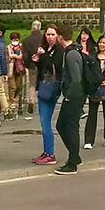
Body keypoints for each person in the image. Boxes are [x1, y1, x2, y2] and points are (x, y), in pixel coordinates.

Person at [52, 27, 88, 173]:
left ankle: (73, 162)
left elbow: (76, 79)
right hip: (75, 95)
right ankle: (75, 156)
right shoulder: (74, 51)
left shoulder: (71, 54)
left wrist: (69, 96)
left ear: (60, 37)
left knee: (70, 127)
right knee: (62, 125)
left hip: (74, 96)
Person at [32, 25, 64, 164]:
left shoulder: (59, 50)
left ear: (57, 36)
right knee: (43, 121)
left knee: (46, 122)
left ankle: (50, 154)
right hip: (43, 85)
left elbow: (54, 66)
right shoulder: (46, 49)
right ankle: (46, 151)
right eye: (48, 34)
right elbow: (43, 67)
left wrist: (43, 55)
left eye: (52, 35)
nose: (50, 37)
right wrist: (37, 60)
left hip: (51, 87)